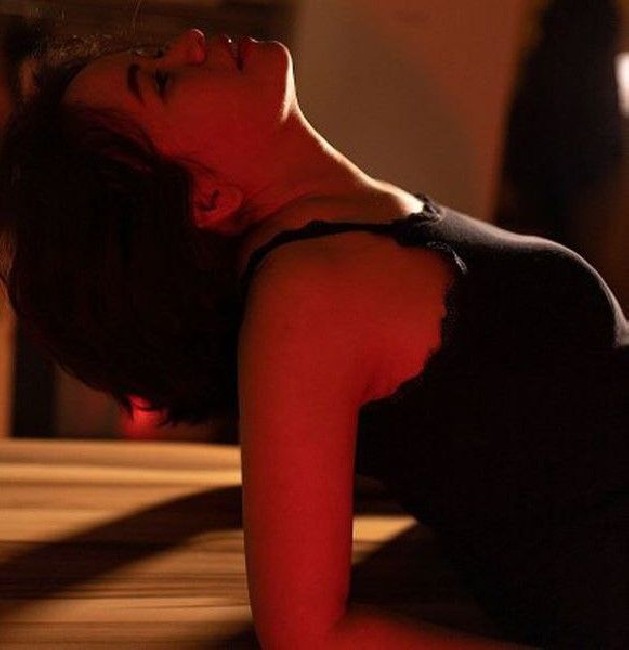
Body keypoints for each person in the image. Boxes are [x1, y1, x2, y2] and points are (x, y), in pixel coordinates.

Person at [0, 29, 627, 649]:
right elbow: (304, 634)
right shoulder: (308, 297)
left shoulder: (340, 236)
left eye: (154, 54)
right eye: (162, 80)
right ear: (205, 197)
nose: (189, 42)